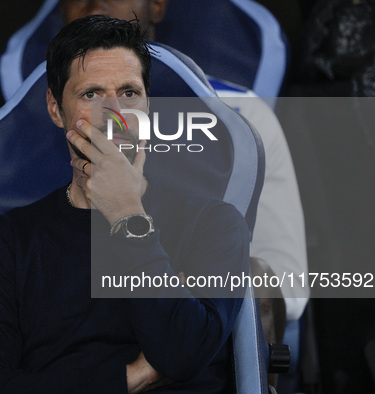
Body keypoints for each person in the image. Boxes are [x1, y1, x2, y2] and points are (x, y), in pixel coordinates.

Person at [0, 15, 250, 393]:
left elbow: (183, 354)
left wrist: (127, 215)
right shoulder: (7, 243)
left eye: (129, 93)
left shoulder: (215, 223)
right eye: (91, 94)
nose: (115, 116)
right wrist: (128, 378)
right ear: (54, 108)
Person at [55, 0, 309, 341]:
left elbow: (284, 277)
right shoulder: (10, 131)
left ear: (157, 5)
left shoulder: (239, 120)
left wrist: (198, 301)